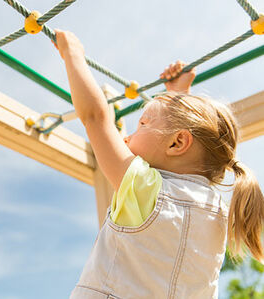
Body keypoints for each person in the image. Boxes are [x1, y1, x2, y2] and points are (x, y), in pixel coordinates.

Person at [53, 29, 264, 299]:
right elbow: (172, 262)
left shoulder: (144, 187)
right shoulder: (217, 212)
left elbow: (95, 117)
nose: (127, 137)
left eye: (142, 123)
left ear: (177, 143)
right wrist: (179, 95)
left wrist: (72, 53)